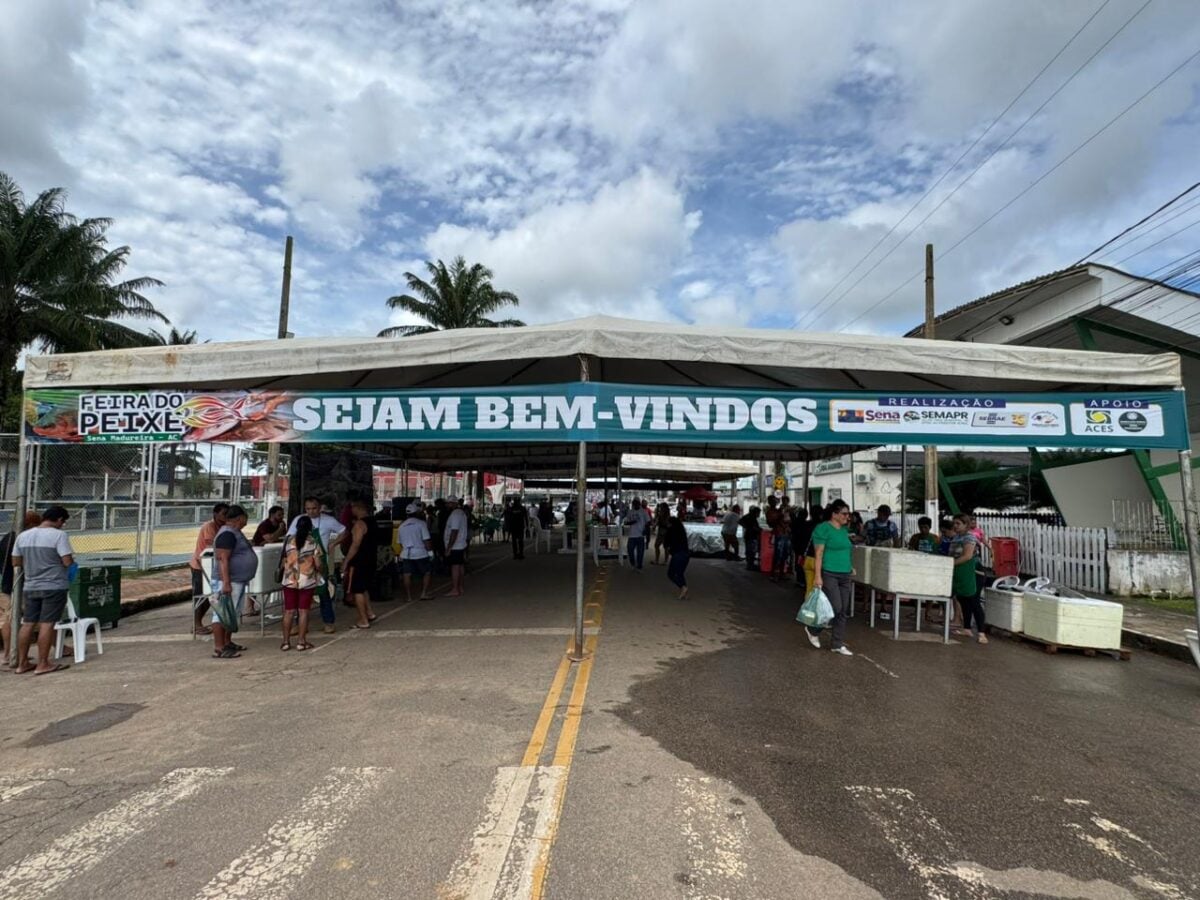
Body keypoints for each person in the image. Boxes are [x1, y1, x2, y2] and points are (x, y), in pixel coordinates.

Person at [10, 506, 74, 675]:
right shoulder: (59, 535)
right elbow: (67, 561)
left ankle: (22, 662)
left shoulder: (23, 536)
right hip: (54, 585)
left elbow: (15, 562)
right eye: (63, 522)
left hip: (30, 585)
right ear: (59, 520)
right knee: (47, 623)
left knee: (28, 623)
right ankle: (43, 663)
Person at [805, 499, 854, 656]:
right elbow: (818, 553)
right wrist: (818, 576)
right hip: (829, 572)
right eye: (844, 514)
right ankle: (813, 629)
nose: (847, 517)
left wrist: (850, 566)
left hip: (845, 574)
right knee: (835, 607)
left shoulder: (844, 530)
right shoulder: (823, 529)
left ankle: (837, 644)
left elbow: (846, 550)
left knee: (843, 610)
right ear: (834, 514)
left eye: (848, 514)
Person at [211, 505, 256, 659]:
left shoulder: (235, 532)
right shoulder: (227, 534)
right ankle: (219, 647)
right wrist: (226, 582)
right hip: (228, 580)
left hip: (238, 580)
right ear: (240, 518)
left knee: (232, 612)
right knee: (221, 613)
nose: (246, 521)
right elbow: (223, 559)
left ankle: (227, 641)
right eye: (245, 518)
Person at [279, 515, 324, 651]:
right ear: (310, 527)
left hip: (289, 580)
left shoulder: (288, 541)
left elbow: (284, 559)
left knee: (289, 611)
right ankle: (301, 642)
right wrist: (320, 571)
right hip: (307, 580)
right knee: (303, 611)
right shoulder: (313, 542)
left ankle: (286, 642)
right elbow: (318, 564)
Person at [1, 512, 42, 666]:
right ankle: (10, 654)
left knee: (9, 619)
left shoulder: (8, 538)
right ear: (30, 525)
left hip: (7, 583)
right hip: (18, 584)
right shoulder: (20, 539)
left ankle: (9, 654)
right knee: (21, 619)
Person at [189, 502, 229, 634]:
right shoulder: (209, 526)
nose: (225, 517)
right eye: (224, 514)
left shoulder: (223, 527)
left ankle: (199, 623)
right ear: (215, 514)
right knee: (201, 595)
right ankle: (196, 624)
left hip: (212, 566)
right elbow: (212, 543)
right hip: (200, 565)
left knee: (210, 595)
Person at [951, 514, 988, 644]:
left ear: (966, 525)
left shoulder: (969, 538)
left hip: (974, 573)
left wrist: (950, 564)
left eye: (958, 523)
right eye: (954, 523)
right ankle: (966, 628)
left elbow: (967, 556)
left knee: (974, 601)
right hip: (961, 573)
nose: (955, 526)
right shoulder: (956, 537)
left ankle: (982, 633)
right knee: (963, 599)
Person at [342, 500, 378, 628]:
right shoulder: (373, 522)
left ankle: (363, 620)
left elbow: (355, 544)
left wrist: (346, 561)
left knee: (357, 590)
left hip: (360, 560)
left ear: (358, 508)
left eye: (352, 508)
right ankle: (369, 613)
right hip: (371, 558)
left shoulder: (359, 524)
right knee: (364, 588)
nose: (351, 511)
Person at [397, 503, 434, 602]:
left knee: (407, 574)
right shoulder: (421, 524)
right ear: (417, 513)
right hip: (420, 552)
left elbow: (400, 543)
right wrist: (430, 552)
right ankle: (423, 593)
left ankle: (408, 596)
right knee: (426, 572)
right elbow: (426, 540)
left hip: (406, 553)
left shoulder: (401, 526)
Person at [444, 497, 470, 597]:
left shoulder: (455, 514)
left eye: (448, 503)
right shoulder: (461, 513)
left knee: (455, 567)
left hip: (455, 546)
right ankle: (460, 587)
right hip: (460, 544)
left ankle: (455, 589)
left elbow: (454, 531)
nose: (447, 505)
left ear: (453, 503)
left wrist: (449, 547)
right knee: (460, 566)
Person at [663, 515, 690, 600]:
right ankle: (684, 591)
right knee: (680, 573)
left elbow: (666, 544)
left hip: (678, 554)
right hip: (686, 554)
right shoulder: (681, 531)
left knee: (671, 574)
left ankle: (683, 587)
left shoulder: (671, 531)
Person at [624, 498, 651, 570]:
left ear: (639, 504)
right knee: (630, 550)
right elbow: (626, 522)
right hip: (632, 535)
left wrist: (645, 530)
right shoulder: (630, 512)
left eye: (637, 504)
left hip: (640, 535)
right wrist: (632, 522)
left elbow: (648, 522)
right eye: (634, 504)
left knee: (640, 552)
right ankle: (633, 563)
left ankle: (639, 565)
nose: (635, 505)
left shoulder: (643, 512)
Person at [790, 506, 814, 585]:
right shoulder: (805, 524)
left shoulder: (796, 522)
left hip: (797, 545)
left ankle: (799, 578)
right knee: (801, 562)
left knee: (798, 561)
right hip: (802, 546)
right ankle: (801, 579)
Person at [771, 497, 793, 582]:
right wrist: (782, 513)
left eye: (786, 501)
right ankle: (775, 574)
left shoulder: (789, 511)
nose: (785, 503)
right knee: (778, 554)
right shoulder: (779, 511)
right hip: (780, 533)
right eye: (783, 501)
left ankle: (781, 573)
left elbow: (791, 521)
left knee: (784, 554)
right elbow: (775, 521)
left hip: (786, 534)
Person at [739, 505, 761, 571]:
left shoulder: (748, 516)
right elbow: (754, 528)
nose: (759, 514)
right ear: (755, 512)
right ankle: (750, 565)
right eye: (758, 513)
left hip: (748, 536)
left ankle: (749, 564)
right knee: (752, 551)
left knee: (749, 551)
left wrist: (746, 527)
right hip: (752, 536)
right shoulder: (752, 518)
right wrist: (754, 529)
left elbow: (740, 521)